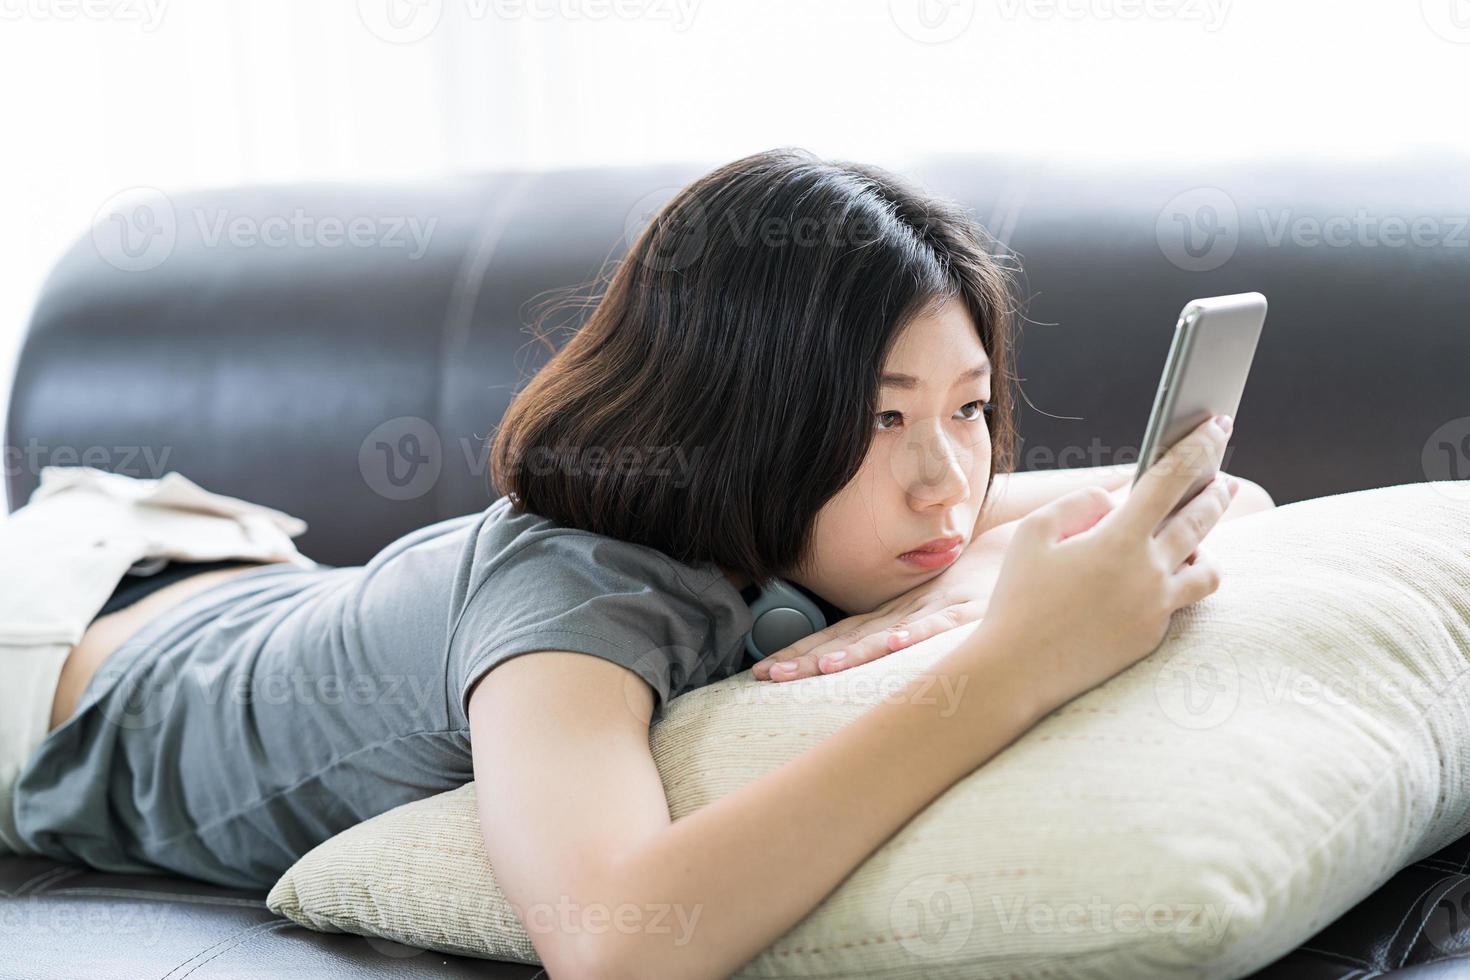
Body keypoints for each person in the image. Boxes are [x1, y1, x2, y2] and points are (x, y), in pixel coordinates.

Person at [2, 147, 1273, 977]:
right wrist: (1011, 666)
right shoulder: (582, 596)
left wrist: (1001, 568)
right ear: (735, 414)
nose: (945, 478)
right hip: (50, 655)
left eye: (970, 407)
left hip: (228, 563)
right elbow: (616, 941)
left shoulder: (819, 510)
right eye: (880, 416)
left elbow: (1207, 495)